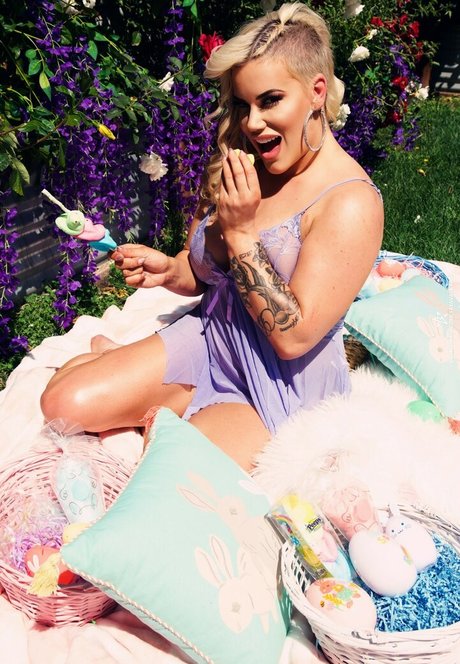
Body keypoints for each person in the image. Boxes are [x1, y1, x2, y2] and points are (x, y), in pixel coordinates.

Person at [40, 2, 383, 471]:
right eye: (242, 104)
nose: (252, 123)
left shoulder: (350, 201)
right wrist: (170, 269)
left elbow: (294, 338)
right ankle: (149, 391)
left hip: (278, 389)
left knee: (174, 473)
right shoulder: (242, 161)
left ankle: (155, 405)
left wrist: (240, 231)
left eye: (270, 100)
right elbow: (201, 272)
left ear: (316, 92)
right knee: (62, 404)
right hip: (209, 336)